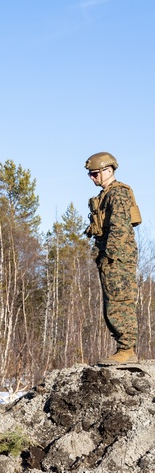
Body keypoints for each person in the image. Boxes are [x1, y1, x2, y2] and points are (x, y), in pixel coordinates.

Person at [84, 152, 142, 365]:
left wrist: (111, 255)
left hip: (117, 257)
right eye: (90, 174)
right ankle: (124, 348)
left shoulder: (117, 194)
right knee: (112, 302)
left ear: (108, 170)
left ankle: (127, 350)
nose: (92, 178)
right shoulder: (105, 194)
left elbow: (120, 226)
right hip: (110, 257)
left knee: (119, 302)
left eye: (95, 173)